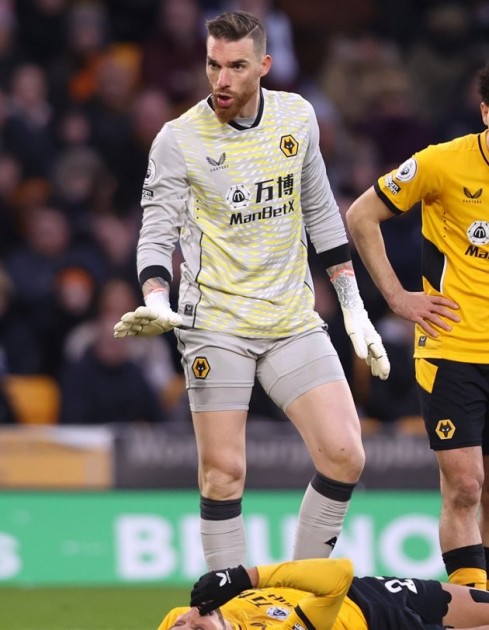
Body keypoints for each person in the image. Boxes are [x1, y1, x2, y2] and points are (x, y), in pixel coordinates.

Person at [114, 11, 390, 569]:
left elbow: (321, 214)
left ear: (263, 66)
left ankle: (297, 602)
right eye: (213, 65)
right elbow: (156, 232)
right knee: (223, 473)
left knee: (345, 455)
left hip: (290, 319)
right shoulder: (178, 140)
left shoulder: (297, 117)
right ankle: (227, 613)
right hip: (215, 325)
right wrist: (156, 297)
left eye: (237, 67)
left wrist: (354, 310)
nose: (222, 80)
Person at [345, 61, 489, 590]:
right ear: (484, 112)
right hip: (452, 350)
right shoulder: (441, 164)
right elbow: (361, 216)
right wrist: (398, 298)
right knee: (465, 486)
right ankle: (471, 606)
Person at [157, 557, 489, 630]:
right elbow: (336, 574)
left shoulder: (180, 615)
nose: (186, 620)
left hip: (368, 590)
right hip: (381, 624)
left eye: (179, 626)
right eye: (192, 629)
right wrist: (247, 576)